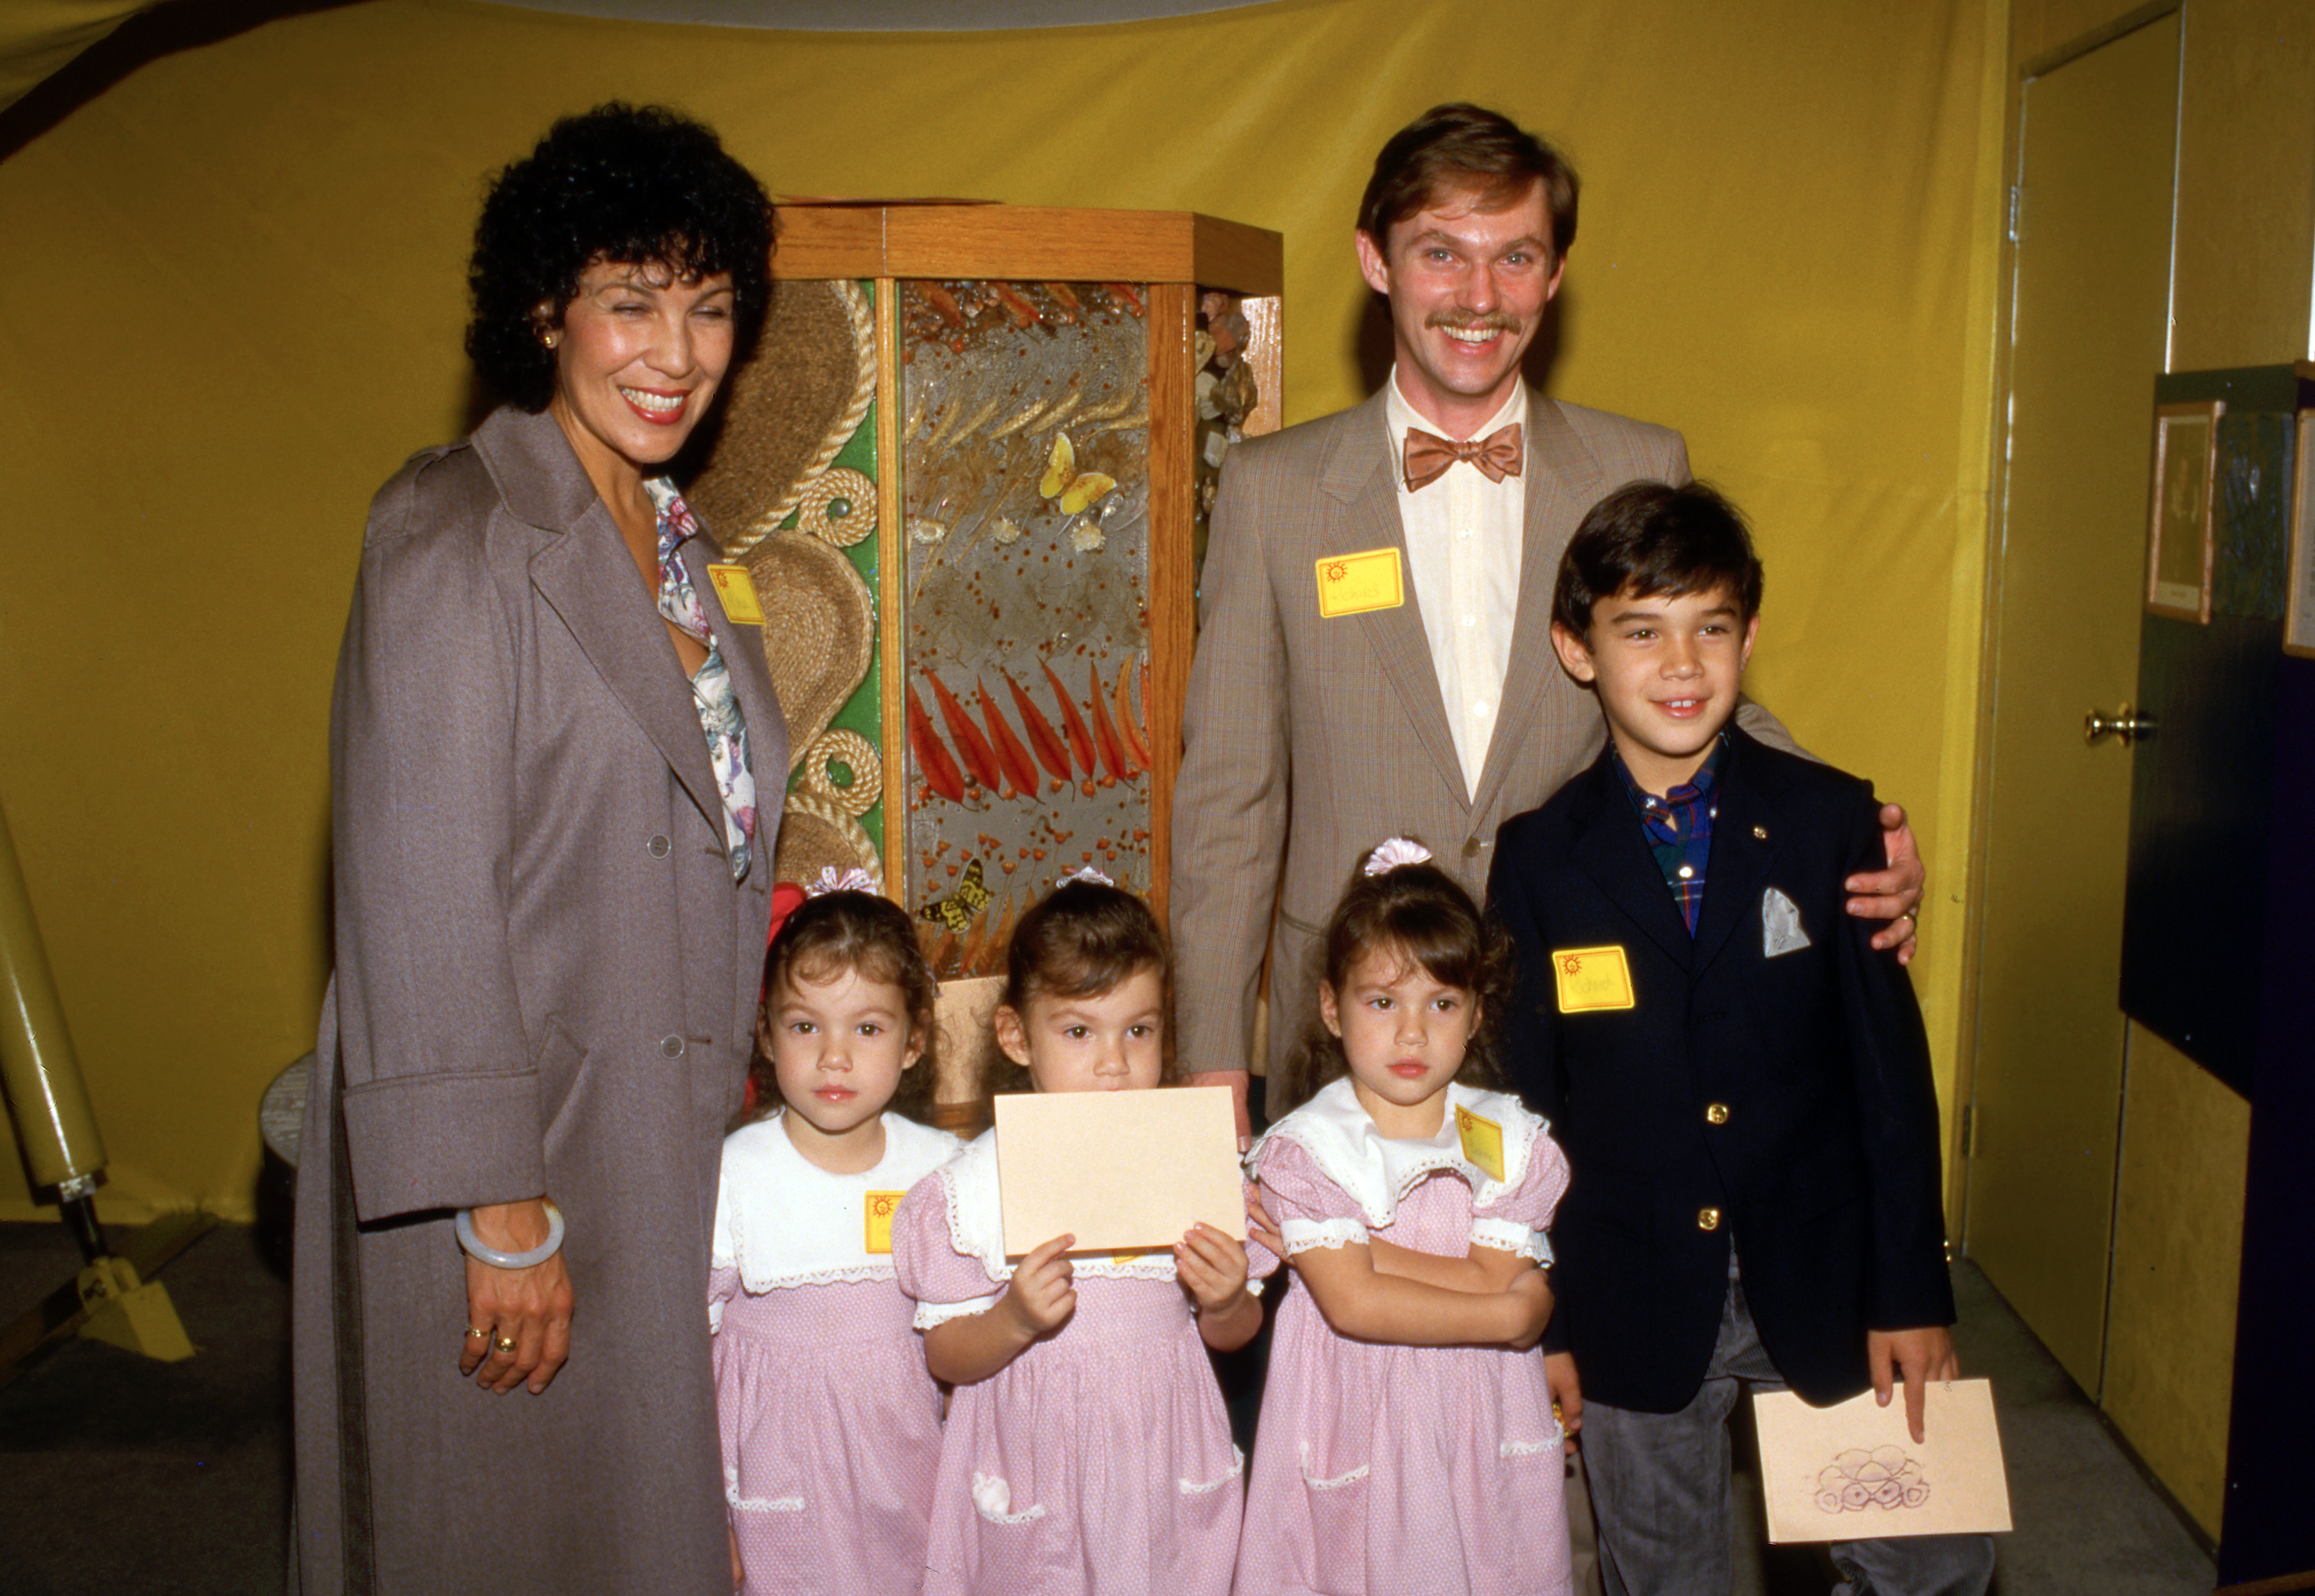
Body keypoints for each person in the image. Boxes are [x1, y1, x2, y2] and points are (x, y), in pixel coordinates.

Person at [1168, 102, 1925, 1129]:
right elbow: (1229, 798)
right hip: (1348, 1022)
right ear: (1376, 260)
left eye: (1515, 257)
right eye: (1442, 253)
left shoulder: (1638, 465)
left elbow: (1698, 698)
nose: (1480, 298)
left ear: (1556, 273)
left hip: (1587, 1007)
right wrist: (1214, 1062)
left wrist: (1852, 843)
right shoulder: (1274, 490)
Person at [291, 104, 785, 1595]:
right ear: (541, 309)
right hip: (513, 1161)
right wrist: (500, 1214)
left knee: (619, 1530)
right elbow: (415, 887)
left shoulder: (680, 537)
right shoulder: (454, 532)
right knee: (485, 1534)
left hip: (652, 1133)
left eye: (706, 307)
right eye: (630, 299)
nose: (676, 350)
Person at [1486, 482, 1995, 1596]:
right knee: (1664, 1574)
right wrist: (1544, 1319)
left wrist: (1910, 1287)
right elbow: (1521, 1109)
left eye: (1710, 627)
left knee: (1932, 1554)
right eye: (1641, 630)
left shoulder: (1828, 818)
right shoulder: (1537, 857)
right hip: (1628, 1294)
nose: (1681, 663)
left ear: (1748, 638)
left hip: (1824, 1270)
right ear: (1578, 650)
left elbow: (1889, 1076)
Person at [891, 875, 1271, 1596]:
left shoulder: (1193, 1163)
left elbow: (1236, 1330)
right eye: (1078, 1031)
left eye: (1139, 1028)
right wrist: (1014, 1319)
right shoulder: (975, 1186)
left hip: (1160, 1461)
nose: (1113, 1062)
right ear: (1016, 1036)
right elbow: (945, 1351)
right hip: (1036, 1455)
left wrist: (1225, 1301)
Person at [1237, 839, 1572, 1596]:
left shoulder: (1511, 1139)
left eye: (1442, 1003)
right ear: (1331, 1006)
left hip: (1476, 1424)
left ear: (1478, 1012)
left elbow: (1489, 1271)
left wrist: (1354, 1246)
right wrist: (1517, 1316)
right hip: (1359, 1423)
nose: (1413, 1033)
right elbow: (1355, 1304)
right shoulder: (1306, 1149)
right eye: (1382, 1002)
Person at [711, 884, 965, 1595]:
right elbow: (686, 1359)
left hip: (909, 1476)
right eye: (804, 1027)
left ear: (914, 1041)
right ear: (765, 1035)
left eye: (867, 1028)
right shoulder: (733, 1175)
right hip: (778, 1486)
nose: (833, 1057)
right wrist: (709, 1516)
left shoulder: (945, 1168)